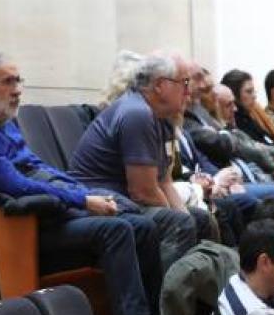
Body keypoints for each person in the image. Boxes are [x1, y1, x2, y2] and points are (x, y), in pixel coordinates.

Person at [0, 50, 174, 315]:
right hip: (18, 231)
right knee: (116, 229)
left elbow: (37, 166)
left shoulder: (1, 121)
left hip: (47, 213)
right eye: (9, 81)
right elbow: (16, 185)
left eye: (18, 80)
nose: (18, 88)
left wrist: (84, 191)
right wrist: (82, 200)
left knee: (140, 222)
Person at [68, 51, 199, 270]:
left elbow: (164, 181)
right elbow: (144, 192)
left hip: (130, 202)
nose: (189, 91)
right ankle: (162, 300)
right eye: (184, 82)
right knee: (179, 224)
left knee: (197, 219)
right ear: (159, 85)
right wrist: (177, 219)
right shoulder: (137, 113)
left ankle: (198, 298)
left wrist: (185, 216)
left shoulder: (162, 117)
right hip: (102, 204)